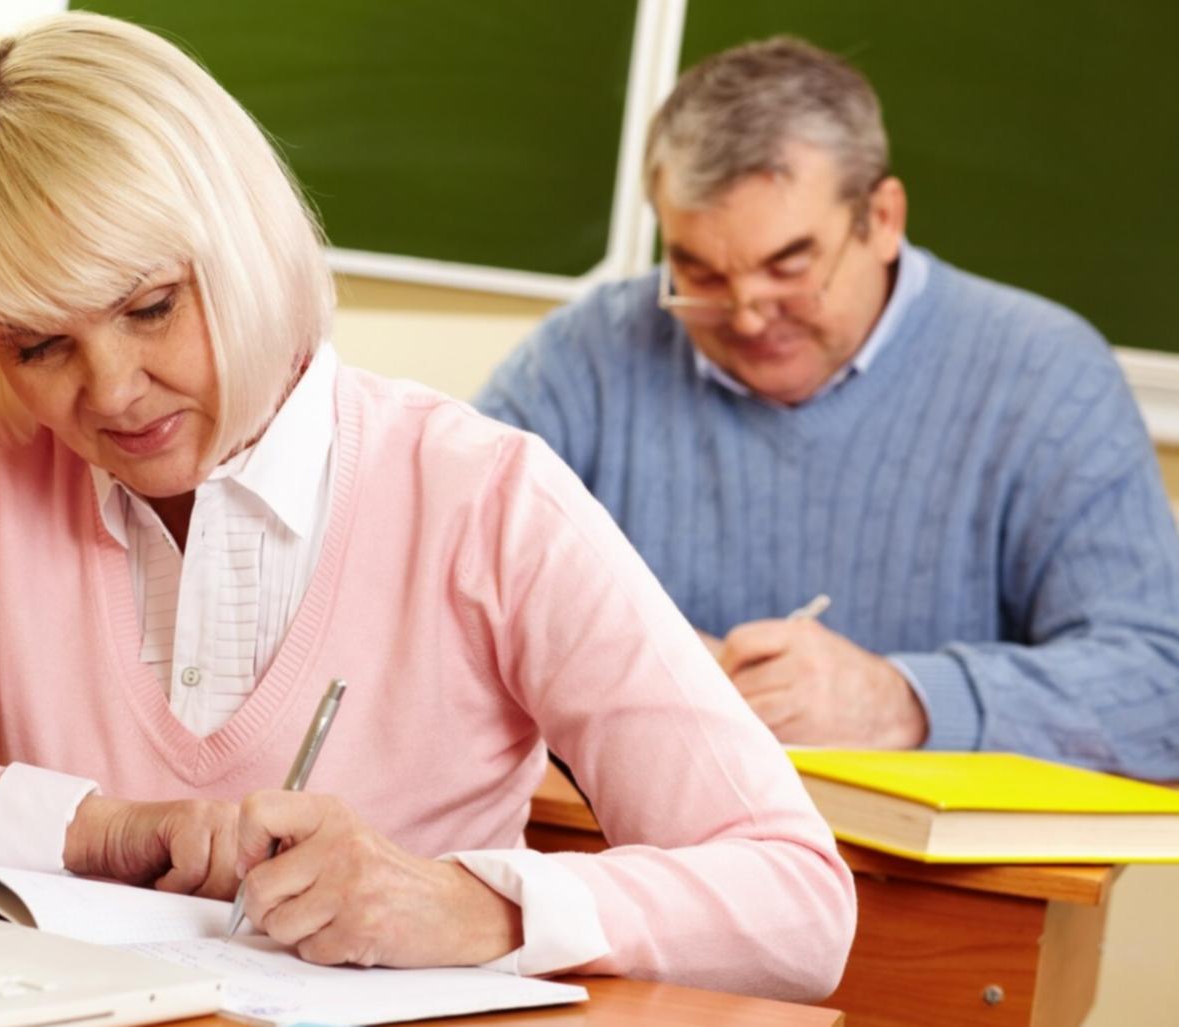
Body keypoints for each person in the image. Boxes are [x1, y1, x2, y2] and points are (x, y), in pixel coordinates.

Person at [0, 12, 853, 997]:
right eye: (38, 344)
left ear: (244, 245)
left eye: (151, 308)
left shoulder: (484, 497)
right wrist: (79, 827)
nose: (113, 388)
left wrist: (470, 904)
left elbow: (797, 904)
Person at [475, 37, 1179, 780]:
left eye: (790, 268)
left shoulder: (1046, 376)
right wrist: (637, 663)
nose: (747, 317)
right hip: (621, 867)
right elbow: (434, 579)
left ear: (882, 218)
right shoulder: (586, 354)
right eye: (700, 272)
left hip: (930, 888)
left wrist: (904, 702)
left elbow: (1160, 685)